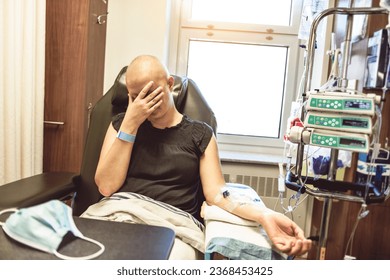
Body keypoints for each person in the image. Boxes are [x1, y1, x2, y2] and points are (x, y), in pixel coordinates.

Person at [94, 55, 312, 257]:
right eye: (136, 97)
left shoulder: (200, 134)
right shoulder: (121, 124)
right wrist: (130, 124)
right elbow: (106, 187)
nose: (146, 103)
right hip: (118, 215)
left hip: (172, 226)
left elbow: (217, 194)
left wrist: (264, 215)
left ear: (170, 84)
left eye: (152, 93)